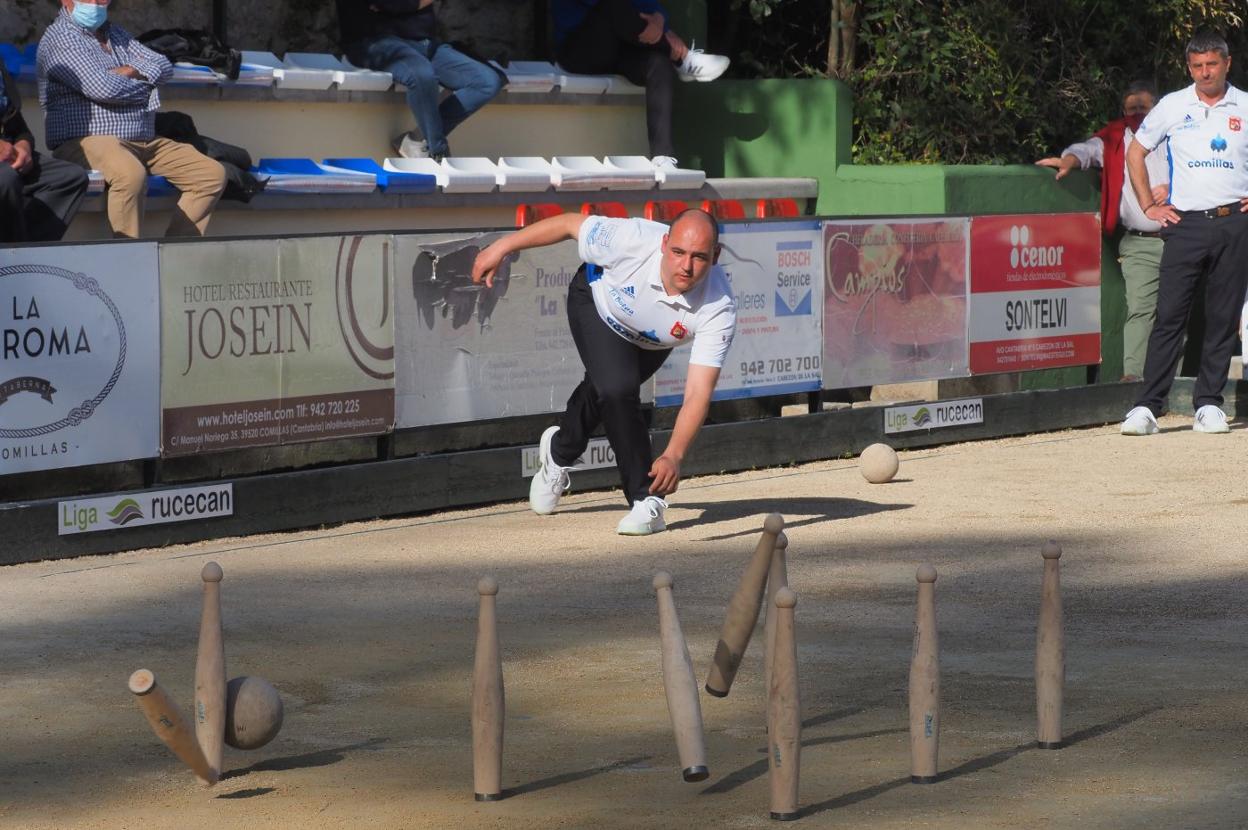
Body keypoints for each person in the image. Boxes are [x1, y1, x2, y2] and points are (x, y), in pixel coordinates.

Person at [471, 209, 736, 535]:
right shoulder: (632, 239)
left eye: (699, 257)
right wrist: (501, 247)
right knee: (616, 387)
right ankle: (646, 500)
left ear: (716, 256)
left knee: (606, 388)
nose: (686, 266)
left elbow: (698, 393)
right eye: (678, 252)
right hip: (597, 304)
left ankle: (559, 450)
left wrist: (673, 456)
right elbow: (569, 224)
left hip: (651, 342)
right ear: (665, 243)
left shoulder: (719, 305)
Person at [1120, 32, 1248, 436]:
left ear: (1227, 63)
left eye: (1212, 64)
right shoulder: (1173, 105)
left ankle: (1208, 404)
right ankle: (1146, 406)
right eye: (1197, 66)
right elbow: (1135, 152)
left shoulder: (1244, 104)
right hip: (1185, 223)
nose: (1205, 73)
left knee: (1223, 316)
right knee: (1169, 316)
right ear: (1188, 67)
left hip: (1234, 221)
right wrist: (1148, 206)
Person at [37, 0, 227, 239]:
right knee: (129, 174)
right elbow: (102, 88)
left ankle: (174, 252)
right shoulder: (60, 38)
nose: (97, 4)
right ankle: (129, 256)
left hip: (142, 136)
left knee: (211, 174)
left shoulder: (114, 32)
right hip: (87, 139)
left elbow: (163, 64)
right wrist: (146, 84)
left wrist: (125, 72)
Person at [1035, 81, 1169, 382]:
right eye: (1131, 108)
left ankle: (1170, 379)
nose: (1137, 114)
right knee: (1140, 309)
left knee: (1175, 313)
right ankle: (1133, 376)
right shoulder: (1114, 139)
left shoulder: (1175, 136)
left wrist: (1172, 189)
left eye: (1143, 108)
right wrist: (1067, 161)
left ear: (1157, 108)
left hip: (1181, 237)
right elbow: (1085, 151)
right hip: (1138, 242)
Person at [551, 0, 730, 166]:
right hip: (576, 52)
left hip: (619, 47)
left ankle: (663, 158)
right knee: (612, 7)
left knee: (658, 64)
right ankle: (682, 59)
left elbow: (646, 4)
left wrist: (659, 21)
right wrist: (663, 33)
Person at [337, 0, 503, 160]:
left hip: (424, 44)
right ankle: (437, 152)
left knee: (487, 81)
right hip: (374, 42)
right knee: (422, 75)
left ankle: (417, 139)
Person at [0, 59, 88, 243]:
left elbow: (16, 124)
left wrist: (24, 145)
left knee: (69, 177)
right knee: (6, 179)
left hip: (8, 152)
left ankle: (25, 251)